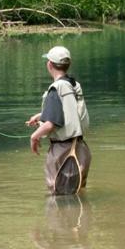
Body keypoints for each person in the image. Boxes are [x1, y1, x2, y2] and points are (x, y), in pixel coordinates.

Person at [26, 46, 92, 194]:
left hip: (64, 153)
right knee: (77, 194)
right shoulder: (72, 84)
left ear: (49, 64)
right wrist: (42, 115)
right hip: (81, 150)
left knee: (58, 198)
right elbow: (69, 112)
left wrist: (34, 136)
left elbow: (51, 124)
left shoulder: (56, 89)